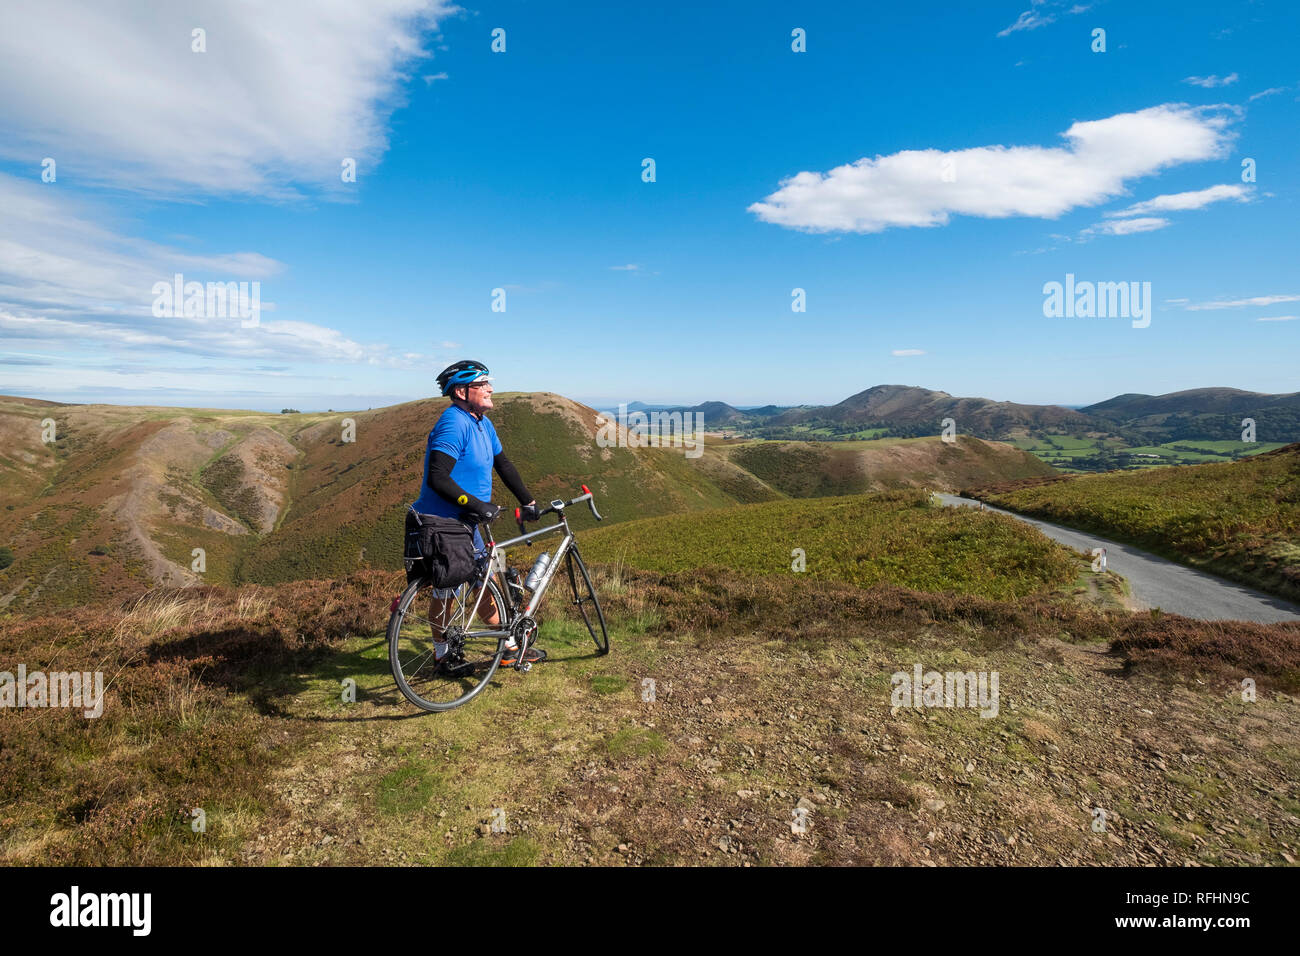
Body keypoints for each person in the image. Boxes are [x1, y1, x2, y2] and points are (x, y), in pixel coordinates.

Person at [411, 360, 545, 673]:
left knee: (487, 580)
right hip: (443, 521)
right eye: (482, 384)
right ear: (461, 391)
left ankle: (510, 648)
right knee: (448, 590)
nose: (490, 389)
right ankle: (444, 656)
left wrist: (529, 501)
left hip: (467, 523)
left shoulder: (482, 422)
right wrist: (475, 504)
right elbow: (438, 477)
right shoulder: (453, 423)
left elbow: (504, 464)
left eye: (488, 383)